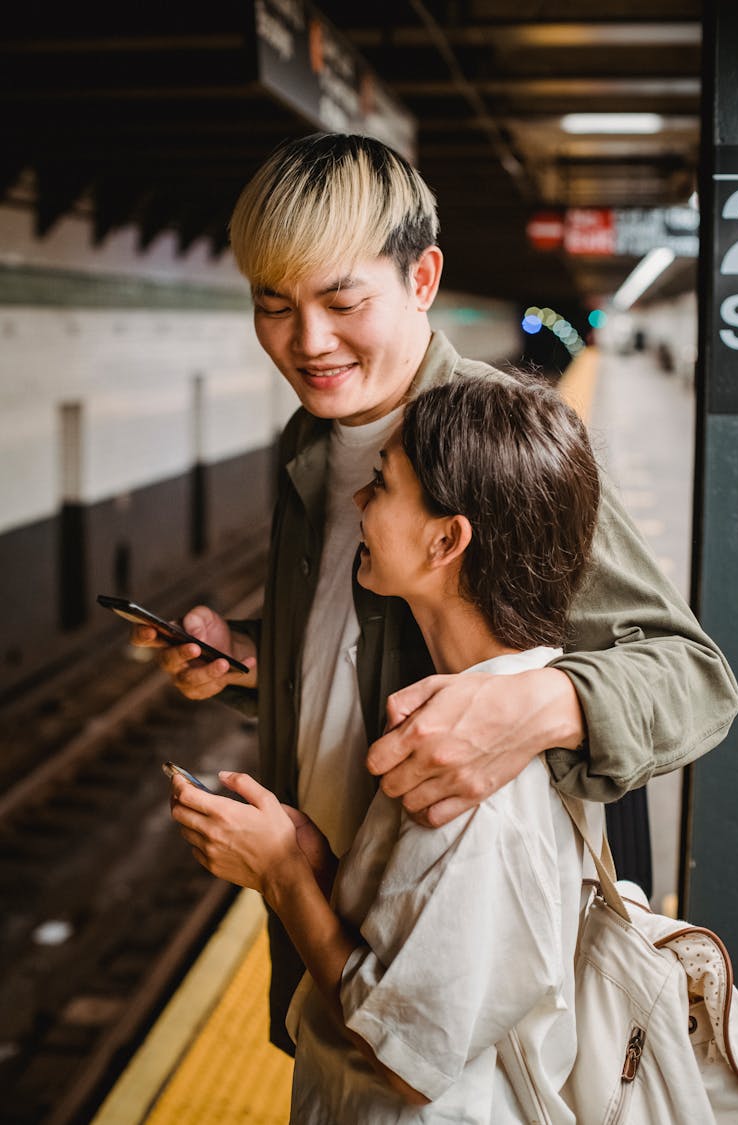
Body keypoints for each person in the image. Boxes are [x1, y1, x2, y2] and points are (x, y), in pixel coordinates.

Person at [133, 132, 738, 1054]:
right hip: (345, 959)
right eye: (273, 304)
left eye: (343, 300)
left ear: (423, 278)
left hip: (483, 1006)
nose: (308, 341)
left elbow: (696, 678)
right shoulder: (308, 445)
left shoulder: (501, 448)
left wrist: (542, 702)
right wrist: (255, 657)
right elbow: (353, 639)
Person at [169, 374, 605, 1121]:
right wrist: (322, 865)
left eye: (381, 484)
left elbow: (406, 1056)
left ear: (446, 539)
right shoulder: (469, 718)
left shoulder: (480, 785)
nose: (359, 503)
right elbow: (427, 938)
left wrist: (281, 875)